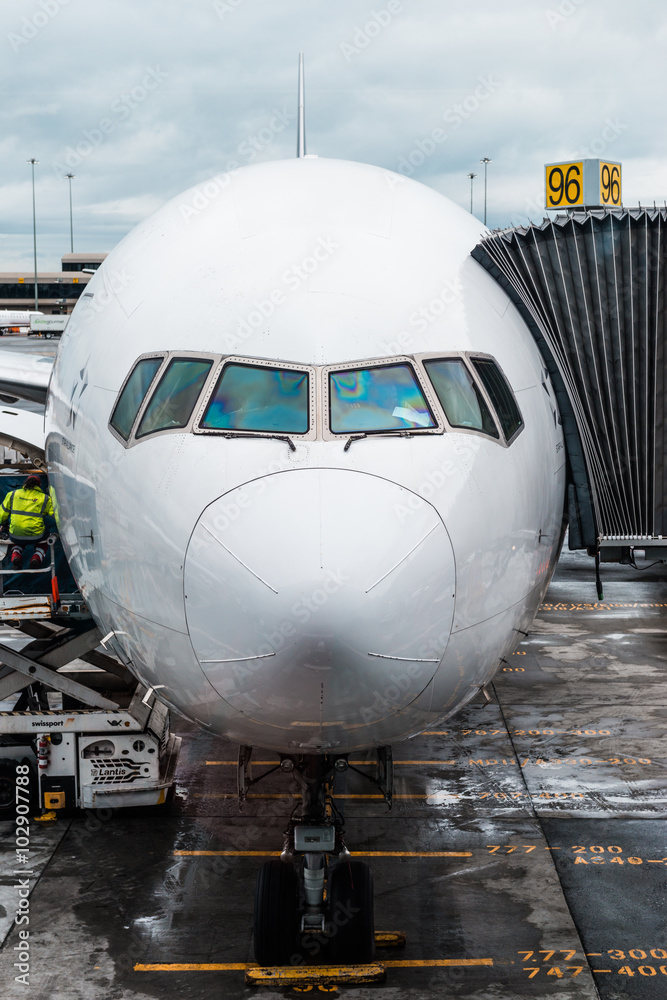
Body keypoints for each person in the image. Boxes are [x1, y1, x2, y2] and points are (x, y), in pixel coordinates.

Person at [0, 475, 55, 569]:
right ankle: (36, 557)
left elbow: (2, 515)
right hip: (37, 535)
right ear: (39, 485)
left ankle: (16, 556)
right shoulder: (45, 498)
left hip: (15, 535)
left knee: (17, 538)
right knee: (44, 540)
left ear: (25, 483)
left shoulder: (12, 494)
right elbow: (55, 515)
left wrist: (3, 524)